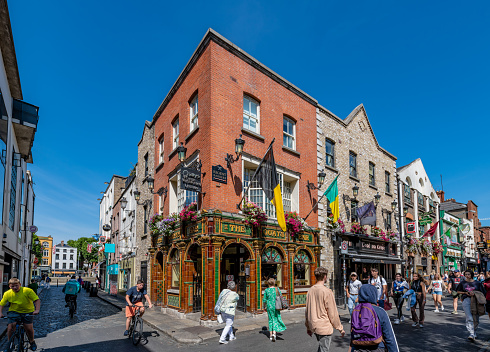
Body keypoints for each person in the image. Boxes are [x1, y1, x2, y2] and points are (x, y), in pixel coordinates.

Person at [305, 267, 345, 352]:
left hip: (314, 325)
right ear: (325, 276)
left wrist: (308, 327)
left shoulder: (310, 290)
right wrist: (340, 328)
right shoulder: (327, 291)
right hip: (324, 326)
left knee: (322, 348)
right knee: (324, 349)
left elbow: (307, 310)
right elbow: (332, 312)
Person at [350, 284, 399, 352]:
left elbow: (353, 332)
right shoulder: (380, 311)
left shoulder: (356, 310)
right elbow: (389, 337)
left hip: (358, 348)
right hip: (377, 347)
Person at [0, 278, 40, 351]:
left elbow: (36, 300)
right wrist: (0, 312)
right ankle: (10, 344)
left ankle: (32, 341)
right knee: (10, 328)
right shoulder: (7, 293)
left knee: (28, 328)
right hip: (14, 311)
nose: (15, 288)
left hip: (27, 311)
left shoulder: (27, 291)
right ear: (9, 286)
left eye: (16, 285)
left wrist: (37, 310)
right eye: (12, 286)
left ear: (20, 285)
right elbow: (2, 304)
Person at [456, 270, 486, 341]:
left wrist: (474, 293)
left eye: (468, 274)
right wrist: (465, 293)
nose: (467, 276)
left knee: (476, 317)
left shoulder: (477, 283)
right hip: (466, 300)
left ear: (471, 275)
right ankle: (471, 333)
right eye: (466, 274)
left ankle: (474, 331)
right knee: (469, 317)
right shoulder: (463, 283)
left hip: (476, 300)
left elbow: (483, 292)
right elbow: (457, 291)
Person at [263, 278, 286, 342]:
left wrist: (264, 307)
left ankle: (270, 335)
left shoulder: (266, 290)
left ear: (268, 283)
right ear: (274, 283)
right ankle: (274, 334)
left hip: (269, 307)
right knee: (275, 320)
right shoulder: (277, 289)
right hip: (276, 306)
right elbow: (281, 296)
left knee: (270, 320)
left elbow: (264, 300)